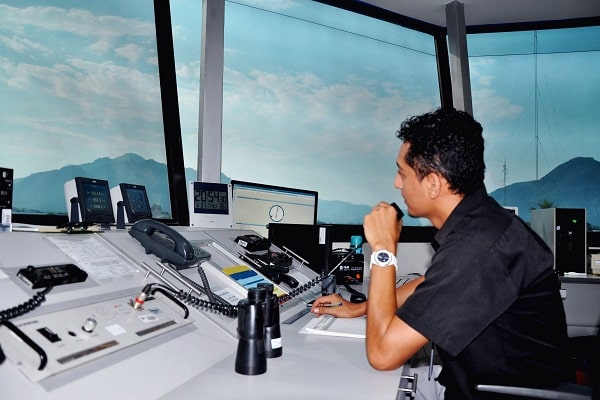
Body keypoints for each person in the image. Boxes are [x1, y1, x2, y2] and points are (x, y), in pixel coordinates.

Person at [311, 107, 568, 399]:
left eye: (402, 173)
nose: (397, 183)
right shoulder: (481, 223)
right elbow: (433, 284)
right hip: (473, 381)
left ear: (433, 184)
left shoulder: (478, 247)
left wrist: (383, 250)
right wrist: (360, 308)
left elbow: (382, 354)